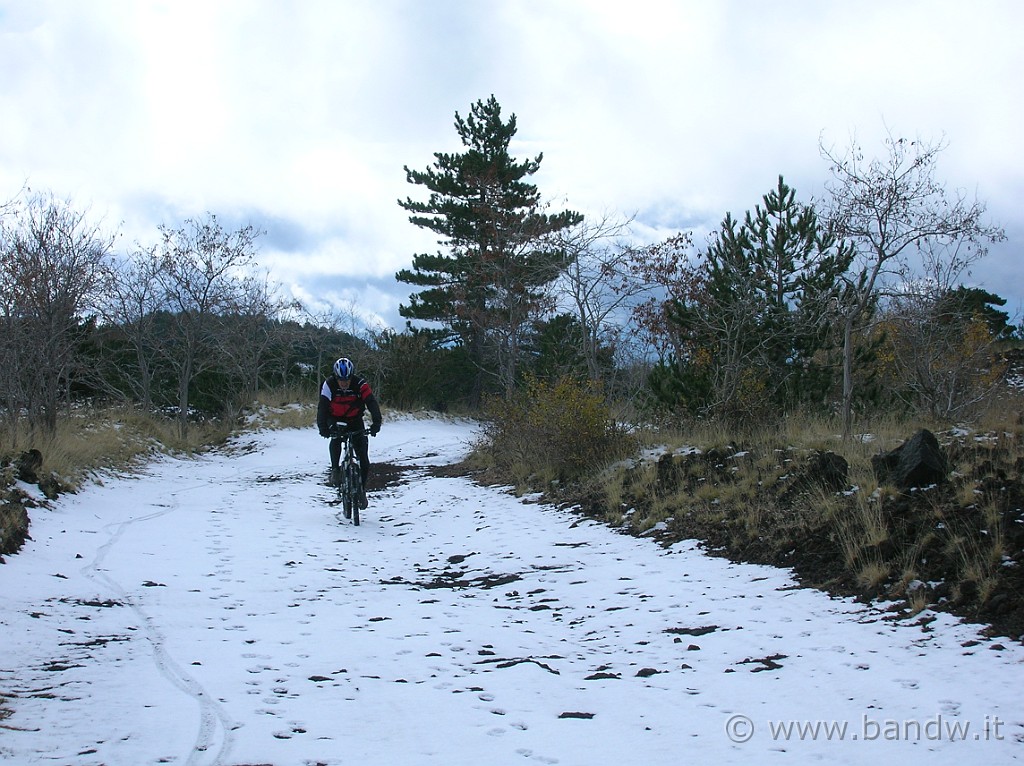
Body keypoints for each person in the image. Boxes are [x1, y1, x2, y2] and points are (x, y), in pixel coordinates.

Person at [317, 357, 382, 508]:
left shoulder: (360, 384)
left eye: (347, 379)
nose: (344, 383)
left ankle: (362, 490)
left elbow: (371, 402)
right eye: (341, 380)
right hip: (334, 418)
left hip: (355, 420)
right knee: (336, 438)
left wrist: (376, 423)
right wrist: (323, 428)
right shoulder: (328, 385)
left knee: (364, 458)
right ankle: (335, 469)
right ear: (336, 377)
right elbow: (323, 407)